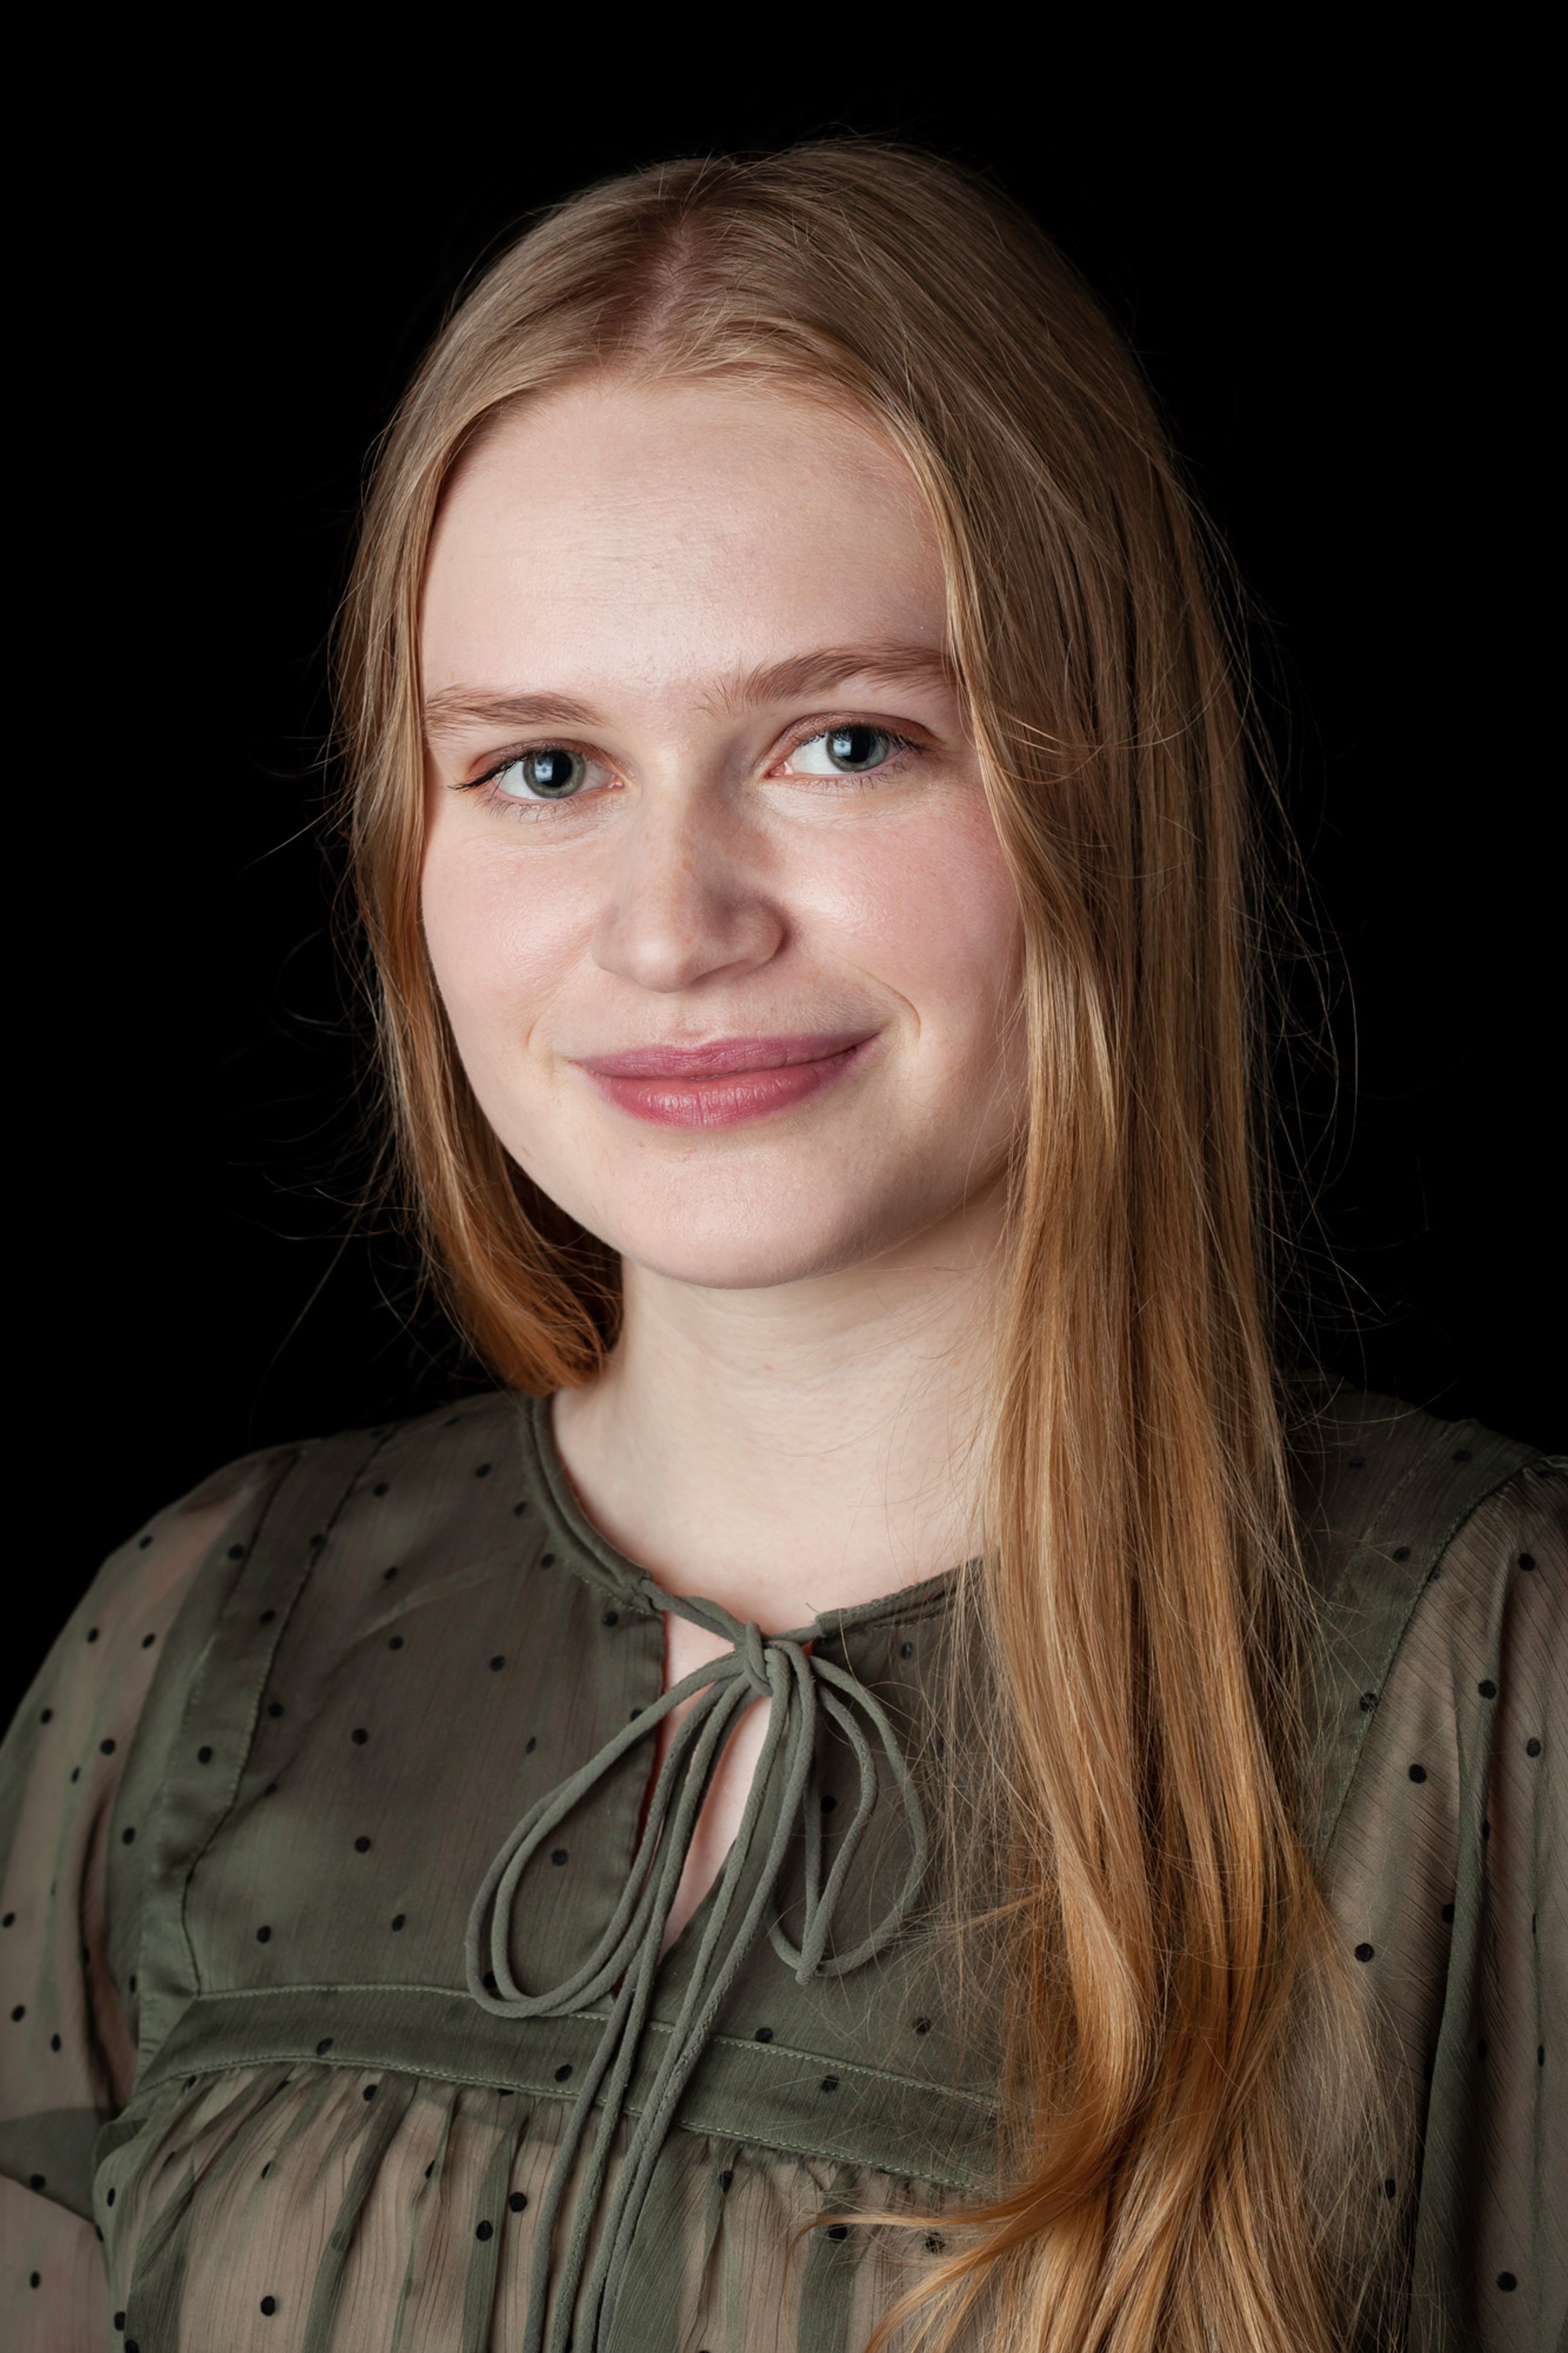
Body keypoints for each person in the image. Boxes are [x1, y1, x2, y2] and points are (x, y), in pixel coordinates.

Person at [0, 143, 1560, 2353]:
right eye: (544, 768)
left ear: (1102, 783)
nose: (674, 922)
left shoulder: (1501, 1675)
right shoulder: (194, 1642)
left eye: (845, 741)